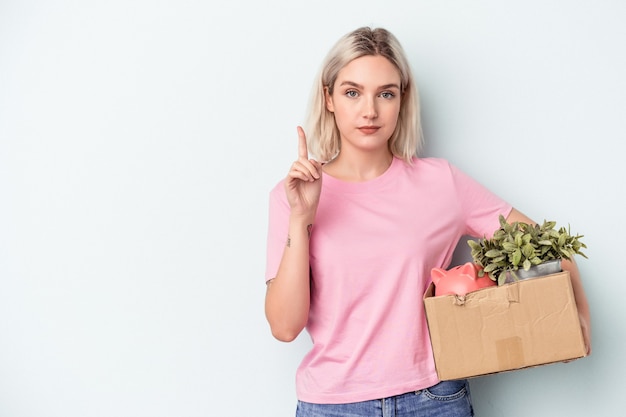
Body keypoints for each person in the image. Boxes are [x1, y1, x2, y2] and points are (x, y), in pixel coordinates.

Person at [264, 26, 592, 417]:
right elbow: (285, 328)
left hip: (434, 400)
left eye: (385, 93)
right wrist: (302, 219)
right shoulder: (295, 194)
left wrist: (579, 319)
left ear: (402, 99)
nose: (369, 110)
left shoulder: (441, 183)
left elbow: (547, 246)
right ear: (329, 99)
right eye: (353, 92)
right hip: (332, 404)